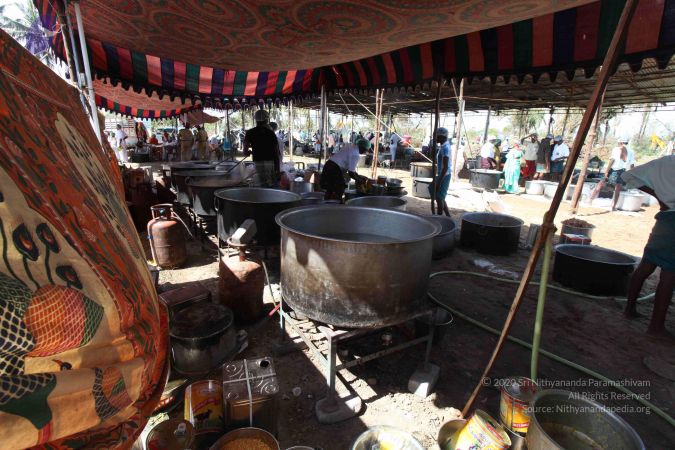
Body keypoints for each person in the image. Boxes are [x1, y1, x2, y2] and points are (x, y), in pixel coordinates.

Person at [622, 155, 675, 338]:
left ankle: (629, 309)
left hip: (665, 219)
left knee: (646, 265)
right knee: (670, 274)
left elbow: (629, 176)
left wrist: (661, 198)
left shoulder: (666, 162)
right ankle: (656, 327)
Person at [589, 137, 635, 210]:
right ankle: (613, 206)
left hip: (613, 170)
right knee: (617, 189)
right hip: (623, 171)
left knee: (600, 184)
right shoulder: (631, 151)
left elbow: (612, 160)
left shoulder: (616, 149)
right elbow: (632, 164)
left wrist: (607, 171)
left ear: (620, 142)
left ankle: (590, 200)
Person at [244, 109, 280, 187]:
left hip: (257, 161)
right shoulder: (271, 133)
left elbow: (245, 151)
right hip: (270, 161)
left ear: (255, 119)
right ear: (267, 120)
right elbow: (276, 151)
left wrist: (250, 151)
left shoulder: (250, 132)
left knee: (260, 184)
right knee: (270, 185)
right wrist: (278, 168)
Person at [429, 127, 451, 216]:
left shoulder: (446, 148)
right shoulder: (443, 146)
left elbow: (445, 167)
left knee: (439, 197)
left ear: (442, 137)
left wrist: (439, 181)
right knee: (438, 194)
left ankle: (439, 217)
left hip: (445, 174)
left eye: (436, 136)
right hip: (442, 174)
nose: (435, 138)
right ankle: (448, 216)